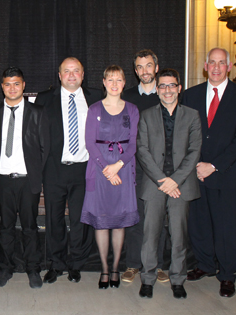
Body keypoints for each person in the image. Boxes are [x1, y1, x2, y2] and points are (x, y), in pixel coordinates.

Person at [182, 47, 236, 298]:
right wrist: (196, 164)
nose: (215, 67)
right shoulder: (190, 96)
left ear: (229, 67)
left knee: (226, 226)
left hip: (224, 172)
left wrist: (212, 165)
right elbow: (186, 134)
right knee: (199, 223)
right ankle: (204, 265)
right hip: (196, 172)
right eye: (211, 62)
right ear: (205, 66)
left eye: (221, 63)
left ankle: (227, 275)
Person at [35, 57, 103, 284]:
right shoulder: (45, 100)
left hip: (84, 170)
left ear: (83, 75)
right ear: (59, 74)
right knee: (54, 220)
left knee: (80, 220)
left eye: (76, 71)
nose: (71, 75)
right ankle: (57, 264)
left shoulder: (96, 98)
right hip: (54, 169)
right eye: (67, 71)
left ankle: (76, 264)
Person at [137, 69, 202, 299]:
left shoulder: (192, 115)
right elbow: (142, 151)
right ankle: (147, 279)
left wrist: (175, 180)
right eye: (162, 86)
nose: (167, 90)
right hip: (155, 184)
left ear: (179, 88)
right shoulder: (146, 115)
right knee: (150, 235)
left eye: (171, 85)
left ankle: (177, 279)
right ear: (157, 89)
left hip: (180, 185)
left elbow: (194, 151)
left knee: (178, 234)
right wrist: (162, 180)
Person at [0, 67, 50, 288]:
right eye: (7, 84)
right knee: (6, 227)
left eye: (16, 83)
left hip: (27, 180)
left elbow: (45, 148)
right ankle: (6, 268)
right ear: (2, 86)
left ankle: (33, 269)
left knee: (31, 227)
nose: (12, 88)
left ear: (23, 85)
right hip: (3, 180)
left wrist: (35, 174)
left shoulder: (37, 112)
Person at [80, 65, 139, 289]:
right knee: (102, 222)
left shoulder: (132, 109)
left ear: (125, 83)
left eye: (119, 80)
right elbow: (89, 143)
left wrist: (118, 166)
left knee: (119, 222)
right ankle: (104, 269)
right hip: (99, 169)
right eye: (110, 80)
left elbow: (133, 143)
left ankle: (115, 268)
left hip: (124, 168)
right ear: (103, 82)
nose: (114, 84)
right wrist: (107, 168)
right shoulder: (94, 109)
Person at [121, 49, 168, 283]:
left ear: (156, 68)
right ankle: (132, 265)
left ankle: (158, 265)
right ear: (135, 70)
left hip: (161, 168)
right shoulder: (126, 97)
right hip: (133, 167)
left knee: (158, 217)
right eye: (139, 67)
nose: (144, 71)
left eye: (148, 66)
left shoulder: (166, 94)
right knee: (135, 216)